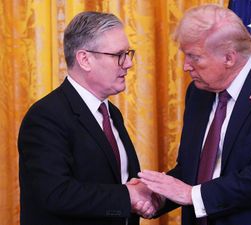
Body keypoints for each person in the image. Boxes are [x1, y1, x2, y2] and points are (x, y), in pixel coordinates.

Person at [139, 4, 251, 225]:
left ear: (229, 58)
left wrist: (192, 195)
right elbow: (192, 169)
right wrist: (157, 195)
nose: (186, 66)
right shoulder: (198, 92)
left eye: (194, 57)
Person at [18, 11, 157, 225]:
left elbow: (118, 181)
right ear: (84, 59)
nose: (128, 63)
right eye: (119, 55)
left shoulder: (112, 113)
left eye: (129, 53)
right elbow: (56, 193)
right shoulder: (45, 117)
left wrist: (143, 195)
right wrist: (128, 196)